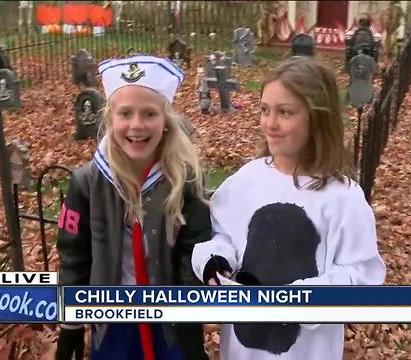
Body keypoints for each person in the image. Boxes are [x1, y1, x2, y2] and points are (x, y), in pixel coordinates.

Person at [191, 57, 387, 359]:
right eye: (264, 110)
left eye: (285, 112)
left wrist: (298, 299)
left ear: (316, 117)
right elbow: (221, 236)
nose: (270, 123)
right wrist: (215, 261)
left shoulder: (343, 198)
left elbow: (362, 277)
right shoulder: (246, 180)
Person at [56, 55, 210, 360]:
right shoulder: (87, 183)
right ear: (110, 118)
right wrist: (70, 323)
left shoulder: (184, 178)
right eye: (125, 113)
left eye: (149, 114)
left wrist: (191, 323)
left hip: (169, 321)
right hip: (112, 322)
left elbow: (193, 254)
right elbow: (74, 256)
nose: (136, 125)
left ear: (166, 122)